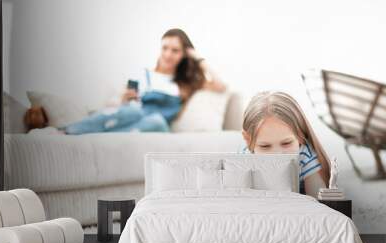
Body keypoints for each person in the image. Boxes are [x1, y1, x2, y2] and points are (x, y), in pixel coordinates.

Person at [63, 28, 227, 134]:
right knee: (133, 111)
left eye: (175, 50)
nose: (168, 54)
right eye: (165, 48)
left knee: (155, 120)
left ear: (184, 54)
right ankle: (69, 131)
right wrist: (123, 100)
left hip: (157, 126)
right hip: (133, 116)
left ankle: (106, 137)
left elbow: (221, 86)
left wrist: (196, 56)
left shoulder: (185, 84)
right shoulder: (143, 75)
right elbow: (126, 109)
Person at [240, 91, 331, 198]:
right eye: (265, 146)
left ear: (300, 136)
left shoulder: (304, 157)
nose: (277, 154)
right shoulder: (243, 160)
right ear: (248, 140)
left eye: (286, 143)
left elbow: (319, 203)